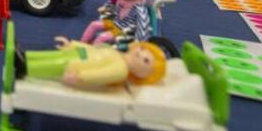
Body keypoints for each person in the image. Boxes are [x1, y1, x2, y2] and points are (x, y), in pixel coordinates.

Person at [23, 38, 166, 89]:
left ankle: (24, 67)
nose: (140, 53)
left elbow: (100, 75)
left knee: (51, 64)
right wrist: (73, 44)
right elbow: (93, 48)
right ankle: (26, 56)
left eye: (145, 60)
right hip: (77, 55)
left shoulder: (121, 70)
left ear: (144, 75)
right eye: (142, 49)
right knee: (50, 56)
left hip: (78, 65)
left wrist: (80, 77)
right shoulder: (116, 52)